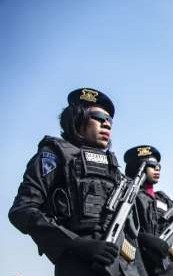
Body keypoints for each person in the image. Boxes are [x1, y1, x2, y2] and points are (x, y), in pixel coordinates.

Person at [9, 88, 145, 276]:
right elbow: (23, 211)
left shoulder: (114, 169)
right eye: (98, 117)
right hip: (80, 266)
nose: (107, 124)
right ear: (77, 118)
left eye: (110, 120)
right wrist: (77, 243)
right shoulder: (55, 154)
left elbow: (131, 233)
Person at [124, 145, 173, 276]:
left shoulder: (165, 200)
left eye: (159, 166)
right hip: (140, 261)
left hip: (167, 264)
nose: (157, 168)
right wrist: (144, 239)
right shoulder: (129, 194)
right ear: (138, 166)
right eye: (152, 165)